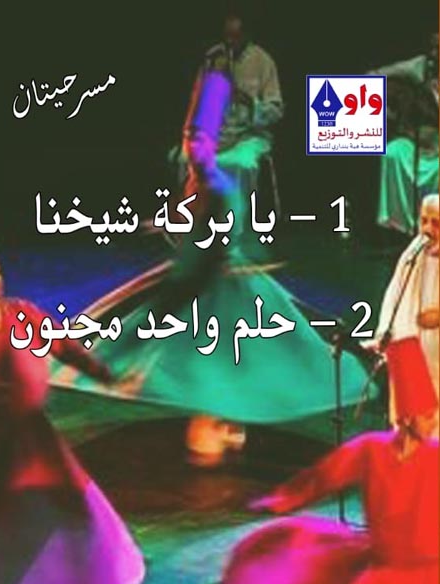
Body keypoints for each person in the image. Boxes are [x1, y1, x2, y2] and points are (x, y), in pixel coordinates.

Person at [51, 68, 374, 467]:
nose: (192, 147)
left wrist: (180, 279)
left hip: (218, 285)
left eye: (200, 139)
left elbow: (215, 245)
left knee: (232, 362)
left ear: (213, 143)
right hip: (194, 276)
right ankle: (219, 422)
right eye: (188, 138)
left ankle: (225, 422)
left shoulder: (222, 189)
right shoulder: (193, 182)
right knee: (185, 355)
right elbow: (190, 229)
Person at [222, 336, 438, 584]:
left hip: (429, 576)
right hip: (386, 573)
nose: (431, 423)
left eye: (434, 414)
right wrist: (283, 499)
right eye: (426, 414)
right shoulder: (371, 451)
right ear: (407, 415)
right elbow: (324, 476)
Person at [0, 202, 145, 584]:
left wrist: (108, 376)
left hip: (29, 437)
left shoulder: (21, 314)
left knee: (56, 505)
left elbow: (65, 347)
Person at [174, 6, 284, 226]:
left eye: (236, 37)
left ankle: (237, 228)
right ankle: (191, 224)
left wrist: (248, 102)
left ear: (247, 35)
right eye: (227, 36)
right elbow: (199, 102)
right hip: (216, 134)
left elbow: (276, 110)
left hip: (249, 135)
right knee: (184, 158)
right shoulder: (214, 58)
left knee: (242, 164)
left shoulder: (263, 61)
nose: (230, 42)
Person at [374, 193, 439, 426]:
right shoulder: (415, 250)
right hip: (414, 356)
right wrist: (385, 332)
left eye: (436, 223)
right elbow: (395, 294)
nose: (427, 229)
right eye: (424, 221)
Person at [370, 33, 438, 236]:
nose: (435, 53)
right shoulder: (419, 68)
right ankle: (401, 224)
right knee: (392, 151)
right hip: (418, 140)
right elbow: (374, 76)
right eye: (434, 48)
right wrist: (387, 110)